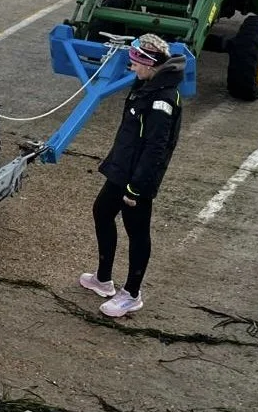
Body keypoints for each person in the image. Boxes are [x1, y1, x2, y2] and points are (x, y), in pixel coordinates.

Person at [78, 33, 186, 318]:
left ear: (150, 64)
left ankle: (132, 293)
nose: (131, 68)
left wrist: (136, 188)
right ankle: (103, 279)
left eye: (136, 64)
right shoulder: (146, 85)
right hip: (122, 168)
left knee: (137, 232)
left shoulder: (163, 99)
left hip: (138, 179)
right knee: (102, 212)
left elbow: (155, 149)